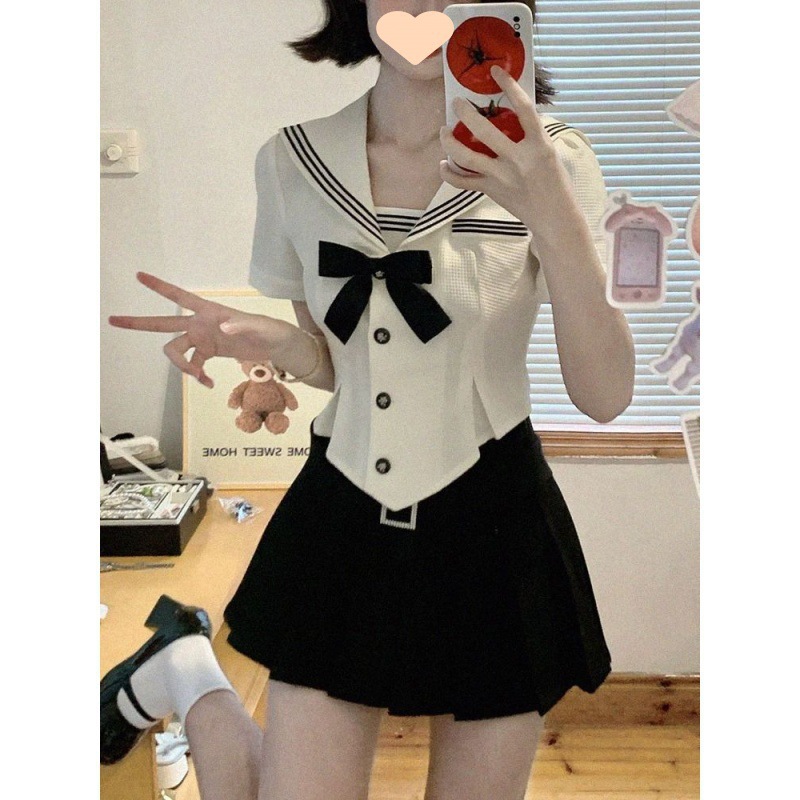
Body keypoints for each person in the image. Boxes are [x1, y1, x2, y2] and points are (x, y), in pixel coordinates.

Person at [101, 1, 635, 798]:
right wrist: (277, 344)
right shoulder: (294, 162)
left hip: (495, 530)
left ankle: (181, 663)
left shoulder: (554, 160)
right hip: (342, 518)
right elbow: (340, 365)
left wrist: (551, 209)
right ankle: (189, 674)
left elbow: (606, 395)